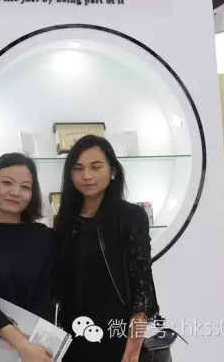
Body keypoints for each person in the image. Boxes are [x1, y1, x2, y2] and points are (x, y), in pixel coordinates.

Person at [53, 135, 159, 362]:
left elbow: (143, 290)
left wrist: (132, 352)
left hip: (116, 336)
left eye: (95, 167)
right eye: (78, 168)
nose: (86, 175)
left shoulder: (130, 216)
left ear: (113, 171)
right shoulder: (66, 219)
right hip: (73, 335)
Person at [0, 153, 55, 362]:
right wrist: (21, 344)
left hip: (40, 349)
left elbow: (46, 297)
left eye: (25, 187)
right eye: (7, 183)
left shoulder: (45, 238)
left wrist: (33, 347)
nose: (15, 192)